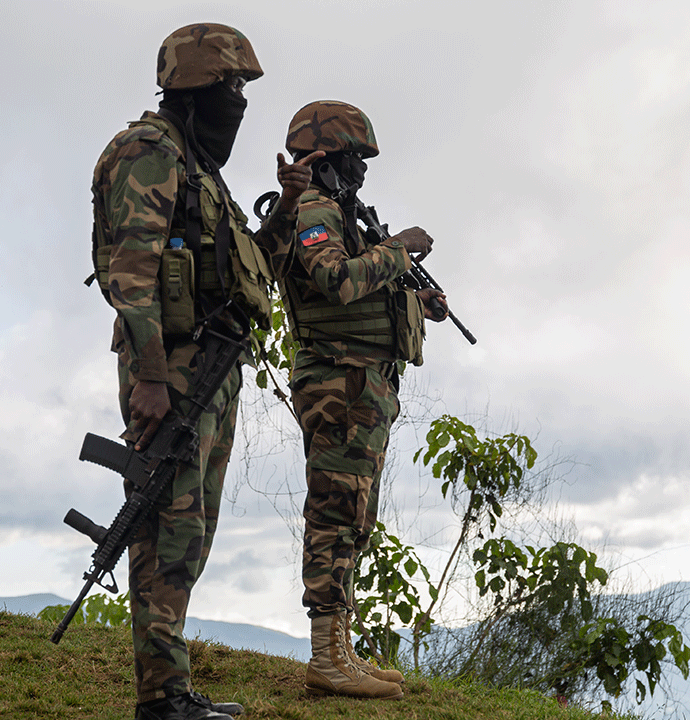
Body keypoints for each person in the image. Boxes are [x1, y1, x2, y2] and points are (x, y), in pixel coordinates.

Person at [88, 24, 321, 720]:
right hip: (175, 372)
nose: (240, 103)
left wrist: (282, 208)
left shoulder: (196, 169)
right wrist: (153, 378)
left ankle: (170, 688)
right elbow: (130, 276)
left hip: (209, 368)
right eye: (232, 88)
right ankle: (160, 700)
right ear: (196, 88)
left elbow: (246, 269)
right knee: (167, 529)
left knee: (189, 533)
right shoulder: (148, 153)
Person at [280, 100, 447, 700]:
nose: (362, 173)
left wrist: (413, 303)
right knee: (333, 514)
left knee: (354, 515)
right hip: (339, 382)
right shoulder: (312, 208)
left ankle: (339, 648)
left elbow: (360, 289)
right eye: (356, 160)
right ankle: (326, 654)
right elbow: (336, 280)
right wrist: (398, 249)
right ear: (328, 157)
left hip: (363, 382)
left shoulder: (338, 209)